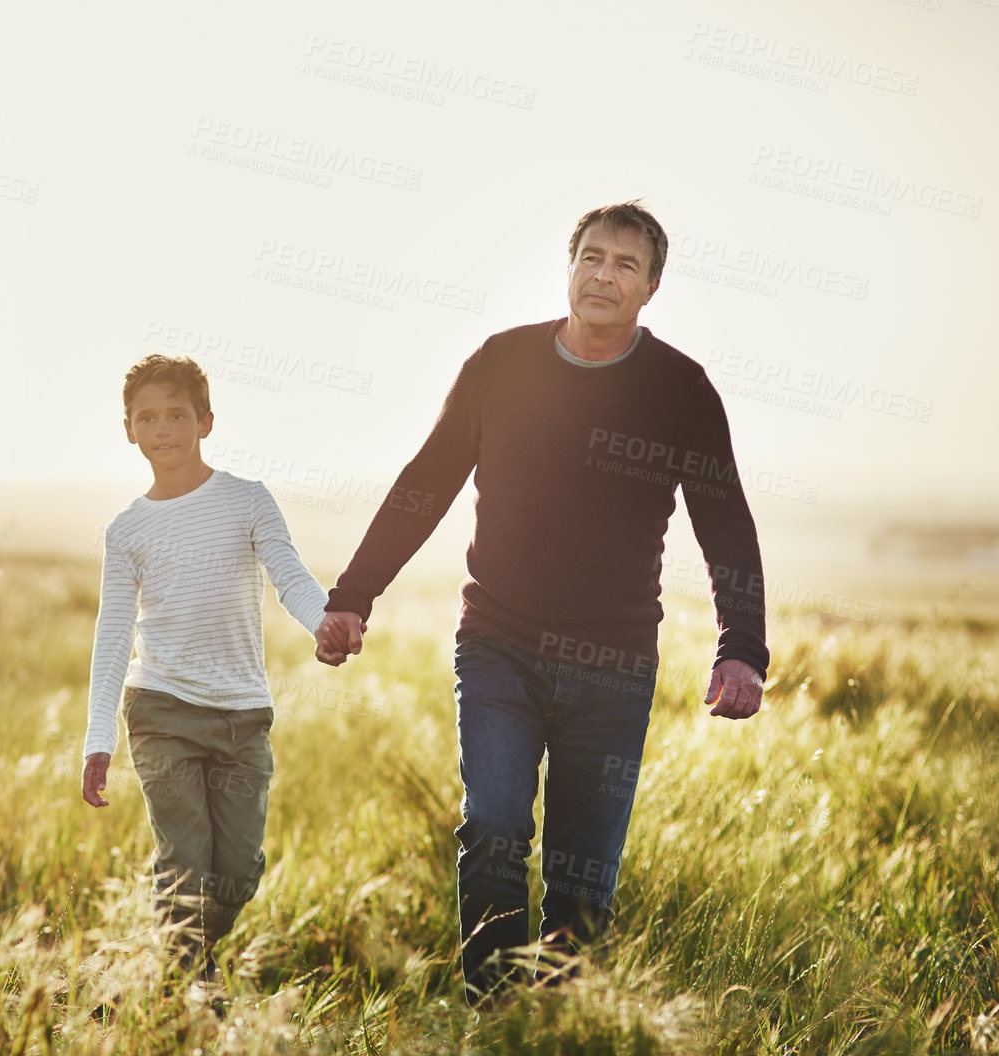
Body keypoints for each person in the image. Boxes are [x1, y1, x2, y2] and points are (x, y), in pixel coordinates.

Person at [314, 201, 768, 1002]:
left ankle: (556, 1029)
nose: (603, 274)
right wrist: (354, 595)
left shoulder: (679, 389)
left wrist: (741, 646)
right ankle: (491, 1014)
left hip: (614, 660)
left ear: (651, 288)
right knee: (492, 824)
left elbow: (723, 519)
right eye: (591, 257)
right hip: (499, 641)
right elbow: (426, 482)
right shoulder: (500, 363)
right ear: (568, 267)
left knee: (581, 869)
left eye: (625, 265)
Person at [81, 354, 329, 987]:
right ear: (128, 430)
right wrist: (98, 739)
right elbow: (113, 636)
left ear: (206, 421)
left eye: (177, 415)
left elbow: (289, 576)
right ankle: (185, 990)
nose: (163, 429)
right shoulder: (127, 530)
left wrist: (325, 622)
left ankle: (172, 962)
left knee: (239, 871)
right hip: (160, 710)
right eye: (147, 418)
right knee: (185, 863)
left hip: (242, 715)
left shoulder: (247, 500)